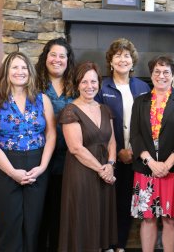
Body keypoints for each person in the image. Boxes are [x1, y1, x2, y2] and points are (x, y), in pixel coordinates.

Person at [0, 52, 56, 251]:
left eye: (24, 67)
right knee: (10, 225)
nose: (20, 72)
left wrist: (42, 167)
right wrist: (12, 172)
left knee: (34, 225)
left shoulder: (42, 100)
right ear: (6, 72)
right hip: (4, 168)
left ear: (30, 72)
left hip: (37, 166)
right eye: (14, 67)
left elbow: (51, 135)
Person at [130, 56, 174, 252]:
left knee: (170, 220)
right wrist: (151, 163)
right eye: (157, 71)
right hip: (145, 168)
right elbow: (135, 135)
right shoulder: (140, 102)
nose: (161, 76)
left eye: (166, 72)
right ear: (151, 75)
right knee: (147, 218)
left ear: (173, 75)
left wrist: (167, 164)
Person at [96, 38, 150, 252]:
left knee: (127, 203)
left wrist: (133, 151)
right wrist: (116, 152)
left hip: (135, 156)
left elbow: (149, 124)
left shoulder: (143, 87)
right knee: (106, 203)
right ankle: (104, 244)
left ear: (133, 61)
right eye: (117, 55)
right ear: (110, 61)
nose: (122, 59)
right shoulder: (101, 86)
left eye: (126, 55)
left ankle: (119, 245)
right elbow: (97, 124)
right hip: (108, 157)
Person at [59, 61, 118, 251]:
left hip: (105, 172)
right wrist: (102, 170)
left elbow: (112, 142)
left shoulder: (105, 109)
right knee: (84, 219)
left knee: (101, 219)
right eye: (84, 82)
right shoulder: (70, 111)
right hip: (82, 173)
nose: (89, 86)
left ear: (99, 84)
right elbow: (76, 148)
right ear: (77, 84)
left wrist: (110, 165)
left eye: (93, 82)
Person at [35, 37, 76, 252]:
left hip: (69, 160)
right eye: (53, 55)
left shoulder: (76, 86)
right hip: (39, 159)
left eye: (62, 56)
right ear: (45, 57)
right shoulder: (33, 83)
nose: (57, 60)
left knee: (61, 213)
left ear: (68, 60)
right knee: (40, 213)